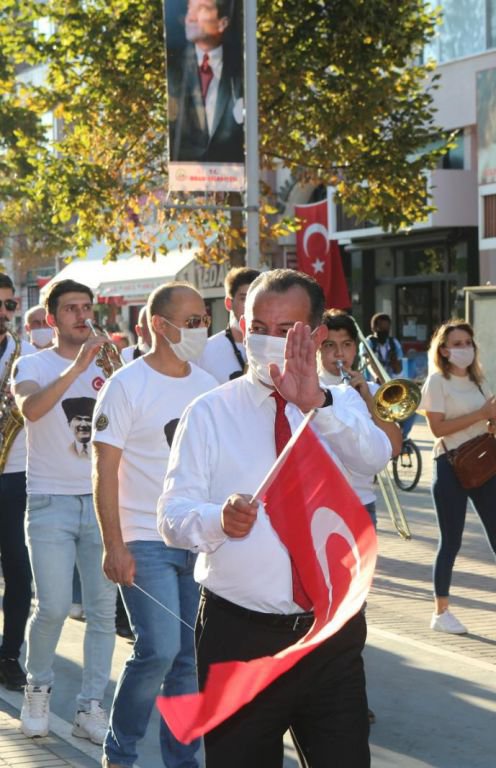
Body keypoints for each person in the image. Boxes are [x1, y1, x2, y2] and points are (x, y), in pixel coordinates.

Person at [157, 269, 393, 768]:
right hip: (238, 635)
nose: (269, 340)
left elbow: (372, 457)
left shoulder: (341, 402)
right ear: (240, 327)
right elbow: (172, 516)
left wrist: (316, 403)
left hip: (330, 635)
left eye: (287, 330)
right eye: (258, 325)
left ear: (318, 335)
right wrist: (217, 518)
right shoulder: (209, 412)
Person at [93, 281, 217, 768]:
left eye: (205, 319)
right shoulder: (127, 385)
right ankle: (119, 752)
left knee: (189, 659)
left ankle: (181, 762)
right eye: (191, 321)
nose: (201, 329)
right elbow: (103, 470)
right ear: (159, 327)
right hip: (143, 540)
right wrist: (113, 545)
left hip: (196, 539)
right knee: (160, 649)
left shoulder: (208, 386)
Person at [13, 279, 117, 743]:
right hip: (50, 499)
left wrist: (115, 375)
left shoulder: (112, 362)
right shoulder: (30, 363)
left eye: (87, 307)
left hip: (102, 499)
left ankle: (91, 706)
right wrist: (77, 368)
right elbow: (31, 409)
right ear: (52, 319)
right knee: (53, 605)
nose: (82, 315)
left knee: (101, 611)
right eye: (72, 309)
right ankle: (38, 687)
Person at [419, 319, 496, 635]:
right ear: (444, 350)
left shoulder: (480, 381)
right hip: (450, 465)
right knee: (451, 540)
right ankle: (441, 612)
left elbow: (487, 421)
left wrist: (490, 422)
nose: (464, 349)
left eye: (468, 343)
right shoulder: (437, 382)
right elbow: (436, 428)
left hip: (484, 464)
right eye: (457, 344)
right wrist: (480, 415)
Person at [318, 310, 402, 526]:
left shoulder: (372, 390)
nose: (339, 354)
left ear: (355, 348)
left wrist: (366, 398)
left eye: (346, 345)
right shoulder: (310, 390)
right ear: (317, 349)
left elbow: (394, 447)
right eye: (329, 345)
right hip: (320, 504)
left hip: (361, 501)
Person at [0, 274, 34, 691]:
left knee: (19, 573)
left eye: (9, 305)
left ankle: (9, 655)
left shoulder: (24, 357)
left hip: (15, 474)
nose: (4, 313)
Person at [167, 0, 244, 163]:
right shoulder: (172, 69)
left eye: (202, 9)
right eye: (189, 10)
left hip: (230, 175)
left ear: (222, 23)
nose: (190, 18)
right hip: (187, 176)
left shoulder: (241, 71)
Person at [196, 266, 259, 382]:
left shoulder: (272, 348)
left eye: (257, 298)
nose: (251, 305)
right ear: (229, 303)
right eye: (244, 299)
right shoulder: (204, 352)